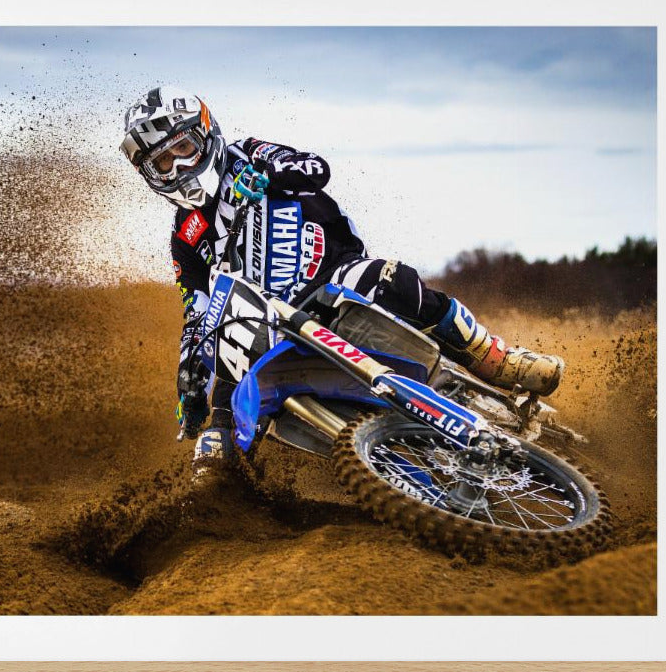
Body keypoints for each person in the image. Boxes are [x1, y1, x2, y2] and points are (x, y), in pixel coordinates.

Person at [119, 86, 565, 477]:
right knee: (224, 390)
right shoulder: (185, 239)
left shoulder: (248, 153)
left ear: (206, 133)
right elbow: (197, 311)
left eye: (183, 149)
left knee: (394, 282)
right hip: (267, 326)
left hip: (333, 279)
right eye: (162, 162)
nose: (177, 167)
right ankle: (224, 496)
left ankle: (497, 360)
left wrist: (269, 174)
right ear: (151, 176)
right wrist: (189, 383)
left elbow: (316, 167)